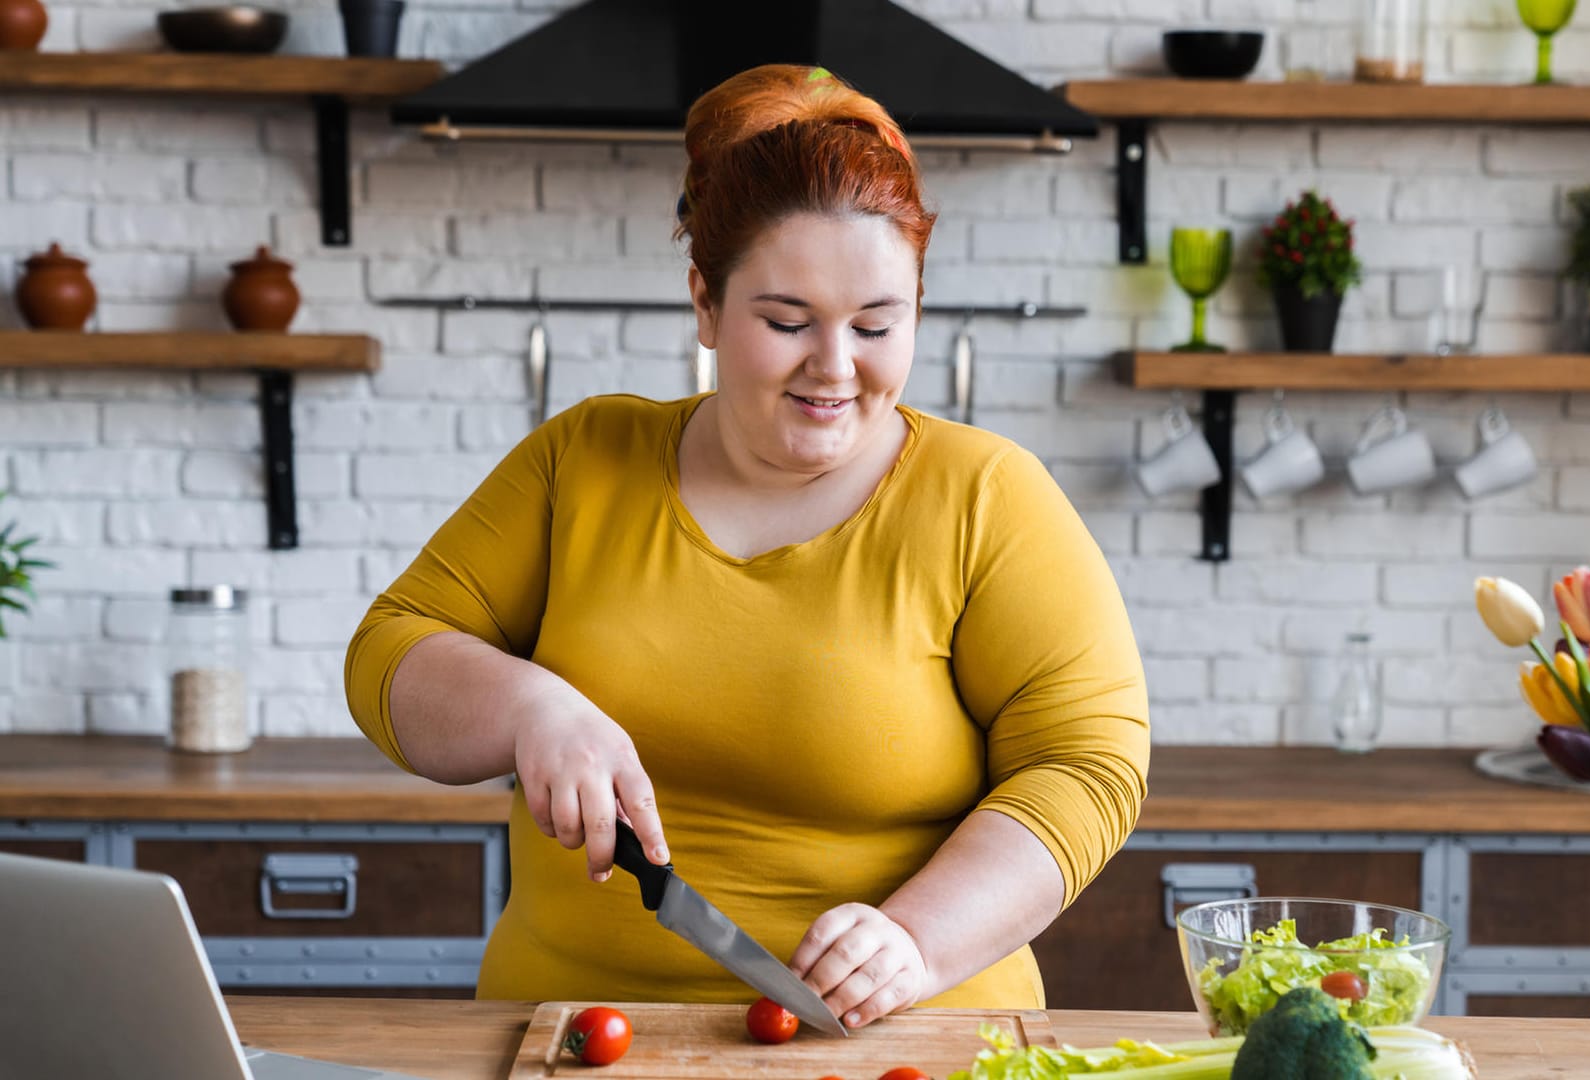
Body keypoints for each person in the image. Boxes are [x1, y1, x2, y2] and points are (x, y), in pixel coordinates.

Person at [345, 63, 1149, 1028]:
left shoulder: (988, 498)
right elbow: (389, 650)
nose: (836, 367)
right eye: (786, 321)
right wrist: (529, 706)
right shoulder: (583, 460)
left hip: (902, 1037)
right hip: (564, 1035)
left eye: (878, 324)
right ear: (705, 304)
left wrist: (917, 940)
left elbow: (1089, 766)